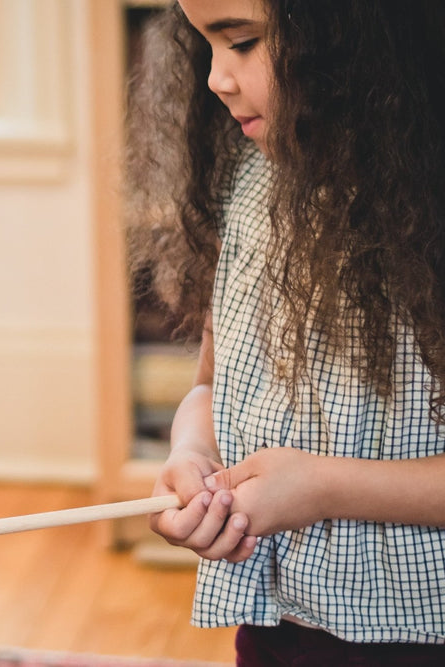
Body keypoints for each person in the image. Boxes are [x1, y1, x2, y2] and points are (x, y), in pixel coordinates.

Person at [128, 0, 445, 663]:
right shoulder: (252, 179)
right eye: (206, 46)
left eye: (241, 42)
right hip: (283, 622)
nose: (216, 77)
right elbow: (213, 384)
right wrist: (190, 454)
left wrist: (325, 486)